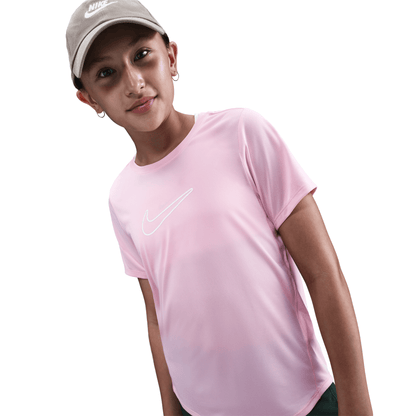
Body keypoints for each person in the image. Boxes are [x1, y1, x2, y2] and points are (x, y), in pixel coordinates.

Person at [66, 1, 373, 415]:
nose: (134, 83)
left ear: (171, 57)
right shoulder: (121, 197)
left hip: (302, 405)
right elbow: (157, 319)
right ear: (90, 99)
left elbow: (324, 274)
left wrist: (358, 406)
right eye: (107, 73)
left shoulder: (243, 134)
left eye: (142, 55)